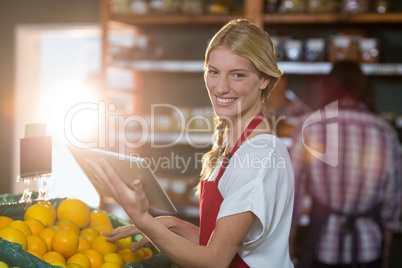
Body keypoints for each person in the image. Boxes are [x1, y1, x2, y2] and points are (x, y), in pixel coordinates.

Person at [86, 18, 295, 267]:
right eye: (214, 72)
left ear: (264, 80)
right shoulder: (237, 143)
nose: (221, 87)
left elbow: (216, 260)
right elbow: (233, 246)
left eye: (238, 75)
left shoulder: (259, 154)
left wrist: (143, 220)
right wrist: (173, 226)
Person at [289, 60, 401, 268]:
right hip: (368, 246)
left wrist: (289, 243)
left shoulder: (310, 127)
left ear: (329, 88)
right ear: (365, 90)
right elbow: (393, 201)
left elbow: (291, 191)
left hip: (321, 244)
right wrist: (385, 254)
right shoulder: (385, 132)